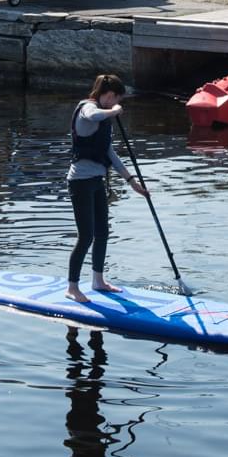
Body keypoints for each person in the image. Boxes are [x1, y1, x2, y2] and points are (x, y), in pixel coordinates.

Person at [66, 73, 149, 302]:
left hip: (97, 181)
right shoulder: (87, 108)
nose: (115, 104)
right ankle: (72, 287)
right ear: (108, 94)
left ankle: (97, 280)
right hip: (80, 182)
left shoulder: (105, 117)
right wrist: (113, 111)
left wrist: (132, 181)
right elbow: (93, 114)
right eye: (114, 99)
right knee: (86, 236)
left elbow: (109, 153)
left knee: (103, 232)